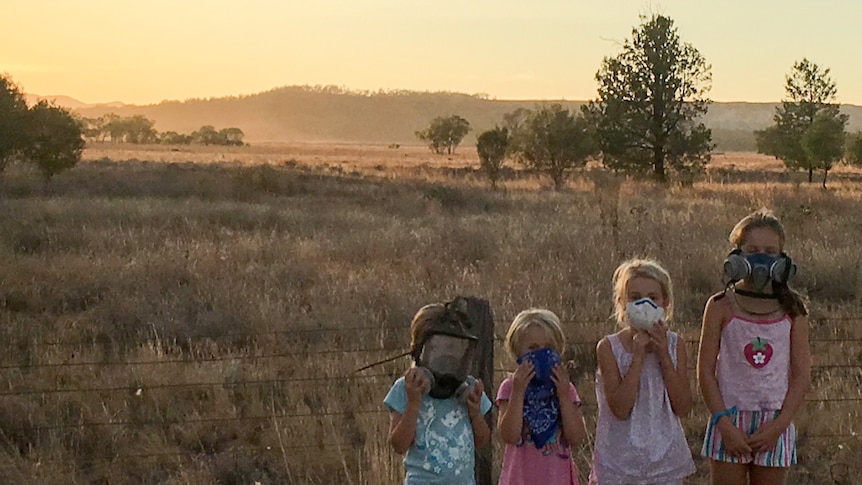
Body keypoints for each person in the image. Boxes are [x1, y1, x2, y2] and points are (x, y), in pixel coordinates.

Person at [697, 209, 811, 485]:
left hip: (775, 422)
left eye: (771, 251)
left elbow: (801, 375)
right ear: (737, 256)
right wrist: (723, 424)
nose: (762, 257)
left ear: (783, 259)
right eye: (753, 249)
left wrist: (779, 426)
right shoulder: (720, 305)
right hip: (729, 420)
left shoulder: (793, 309)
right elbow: (705, 371)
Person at [590, 259, 696, 485]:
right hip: (619, 461)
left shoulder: (675, 345)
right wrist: (637, 356)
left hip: (664, 459)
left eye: (653, 298)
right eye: (635, 298)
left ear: (664, 303)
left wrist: (664, 355)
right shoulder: (609, 348)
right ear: (622, 303)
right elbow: (619, 407)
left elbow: (683, 405)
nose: (644, 304)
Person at [384, 299, 492, 485]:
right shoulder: (405, 389)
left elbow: (482, 440)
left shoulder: (469, 389)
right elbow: (399, 445)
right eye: (440, 348)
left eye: (455, 348)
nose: (448, 356)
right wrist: (413, 403)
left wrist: (475, 412)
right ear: (419, 351)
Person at [496, 308, 587, 485]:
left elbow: (576, 437)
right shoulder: (510, 387)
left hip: (556, 477)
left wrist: (563, 395)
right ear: (518, 353)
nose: (542, 353)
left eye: (549, 348)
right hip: (519, 477)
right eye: (533, 348)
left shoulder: (565, 388)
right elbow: (509, 435)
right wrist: (518, 392)